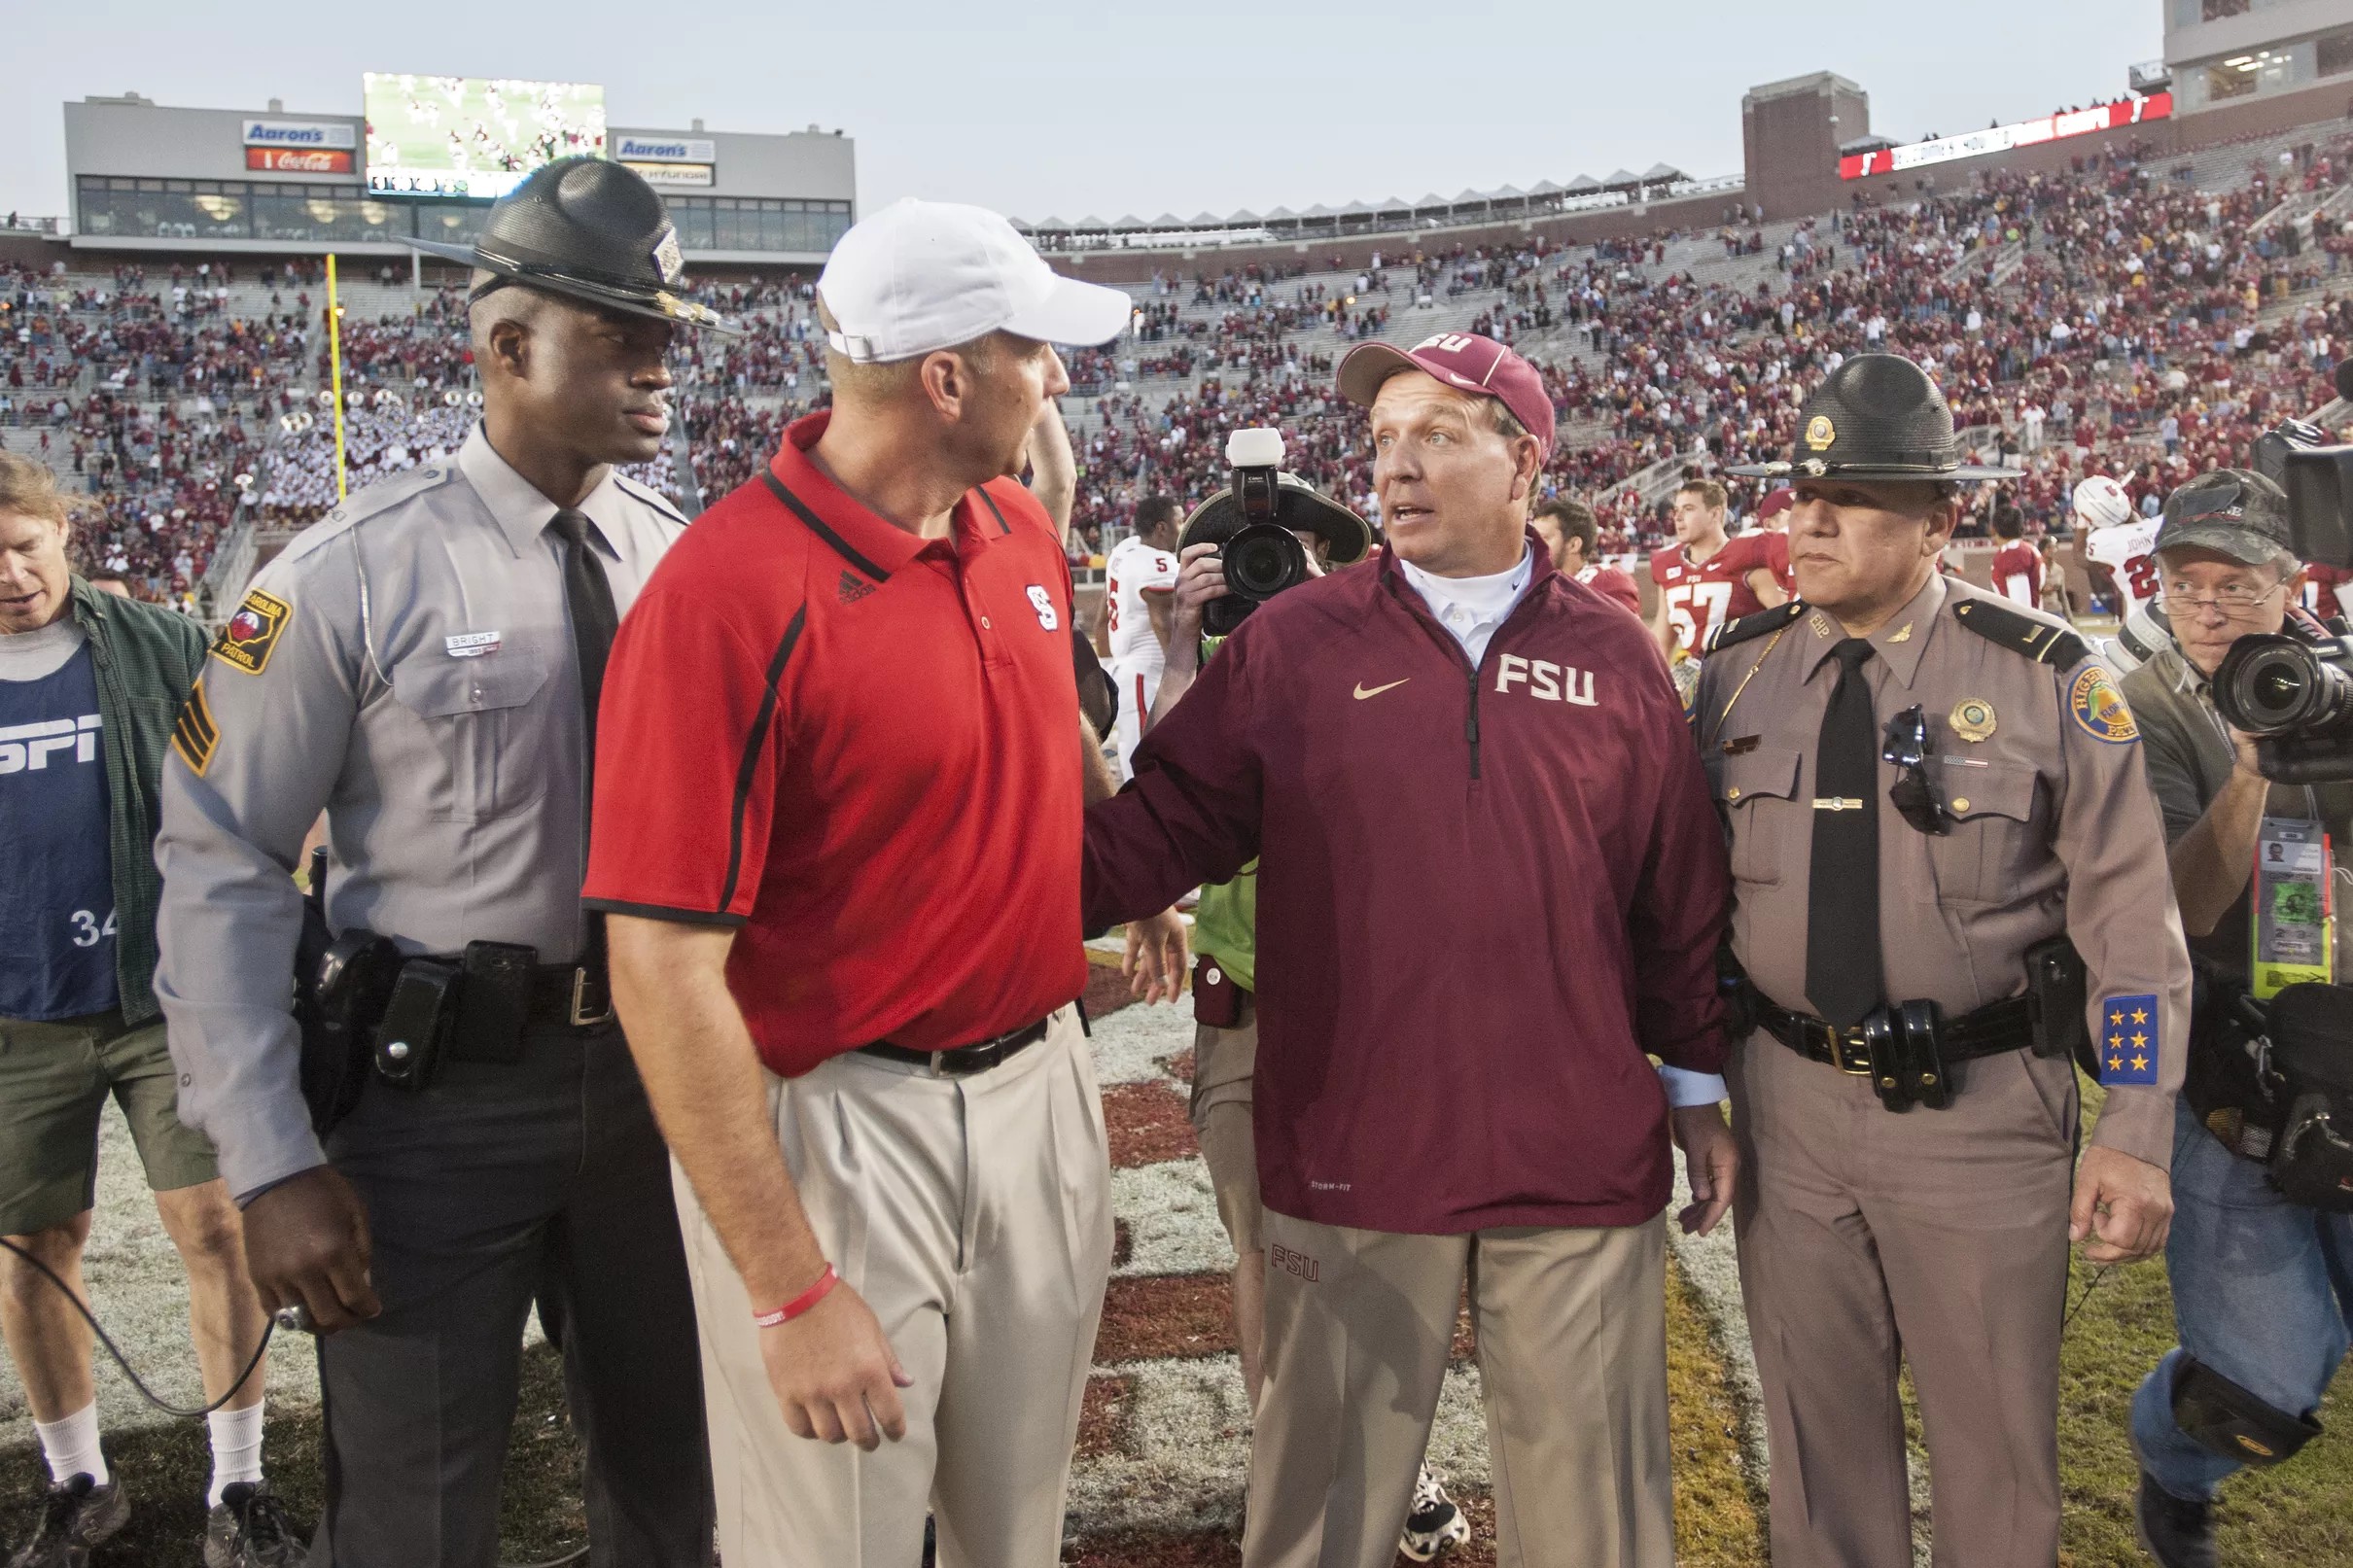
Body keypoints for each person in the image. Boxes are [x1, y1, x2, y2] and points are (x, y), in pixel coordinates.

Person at [154, 158, 731, 1568]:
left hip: (664, 1090)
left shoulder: (686, 561)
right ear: (507, 346)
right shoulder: (349, 571)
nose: (658, 368)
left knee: (686, 1495)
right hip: (433, 1111)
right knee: (415, 1517)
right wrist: (270, 1158)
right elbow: (220, 858)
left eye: (666, 337)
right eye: (619, 334)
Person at [1087, 331, 1739, 1568]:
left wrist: (1697, 1083)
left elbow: (1675, 894)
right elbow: (1161, 829)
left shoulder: (1616, 656)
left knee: (1592, 1516)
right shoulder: (1291, 645)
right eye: (1382, 438)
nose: (1395, 467)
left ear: (1524, 462)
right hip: (1355, 1142)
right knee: (1322, 1515)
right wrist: (974, 871)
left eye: (1436, 434)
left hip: (1573, 1148)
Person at [579, 197, 1143, 1568]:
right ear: (946, 377)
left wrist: (1139, 865)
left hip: (1038, 1087)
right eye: (1034, 350)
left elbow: (1039, 729)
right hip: (840, 1124)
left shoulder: (1009, 527)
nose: (1059, 376)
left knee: (1018, 1534)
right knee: (836, 1545)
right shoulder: (725, 593)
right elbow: (659, 966)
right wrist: (788, 1286)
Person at [1706, 352, 2190, 1568]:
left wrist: (2133, 1124)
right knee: (1816, 1460)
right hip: (1786, 1103)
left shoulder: (2044, 678)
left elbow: (2130, 925)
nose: (1806, 520)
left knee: (1994, 1455)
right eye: (1799, 491)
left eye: (1851, 496)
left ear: (1938, 519)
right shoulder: (1733, 674)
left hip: (1977, 1113)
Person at [1147, 490, 1472, 1561]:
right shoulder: (1209, 672)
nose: (1272, 587)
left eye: (1296, 562)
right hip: (1247, 1003)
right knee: (1266, 1252)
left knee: (1389, 1235)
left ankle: (1389, 1451)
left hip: (1380, 1008)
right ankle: (1288, 1452)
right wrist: (1180, 647)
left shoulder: (1400, 661)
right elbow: (1168, 818)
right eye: (1255, 564)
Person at [0, 458, 295, 1568]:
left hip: (162, 992)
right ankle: (78, 1479)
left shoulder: (160, 644)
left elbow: (251, 781)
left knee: (218, 1225)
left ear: (65, 531)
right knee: (33, 1244)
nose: (14, 572)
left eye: (27, 542)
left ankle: (241, 1476)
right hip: (16, 1009)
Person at [2117, 470, 2353, 1568]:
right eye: (2181, 581)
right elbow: (2178, 907)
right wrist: (2253, 769)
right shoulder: (2136, 705)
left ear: (2289, 580)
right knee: (2258, 1386)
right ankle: (2171, 1468)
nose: (2204, 606)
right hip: (2225, 1082)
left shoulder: (2343, 680)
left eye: (2234, 583)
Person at [1649, 476, 1787, 660]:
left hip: (1741, 679)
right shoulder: (1669, 565)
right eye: (1676, 510)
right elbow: (1661, 641)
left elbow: (1789, 626)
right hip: (1695, 682)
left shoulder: (1745, 559)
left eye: (1689, 509)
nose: (1678, 517)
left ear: (1715, 514)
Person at [1106, 495, 1182, 778]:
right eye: (1178, 520)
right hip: (1148, 671)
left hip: (1128, 666)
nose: (1182, 526)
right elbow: (1163, 620)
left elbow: (1103, 614)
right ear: (1162, 528)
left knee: (1138, 749)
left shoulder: (1125, 550)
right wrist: (1181, 670)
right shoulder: (1158, 563)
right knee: (1142, 756)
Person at [2079, 472, 2173, 669]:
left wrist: (2082, 519)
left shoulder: (2108, 541)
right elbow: (2135, 524)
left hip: (2139, 630)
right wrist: (2120, 503)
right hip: (2175, 619)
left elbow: (2080, 556)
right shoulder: (2159, 525)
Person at [1530, 496, 1640, 616]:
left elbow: (1626, 634)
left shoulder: (1604, 582)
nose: (1536, 545)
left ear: (1573, 545)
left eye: (1544, 538)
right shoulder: (1536, 586)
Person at [1989, 505, 2042, 607]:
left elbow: (2021, 605)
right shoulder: (2024, 549)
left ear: (1993, 528)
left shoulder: (2014, 553)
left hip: (2021, 620)